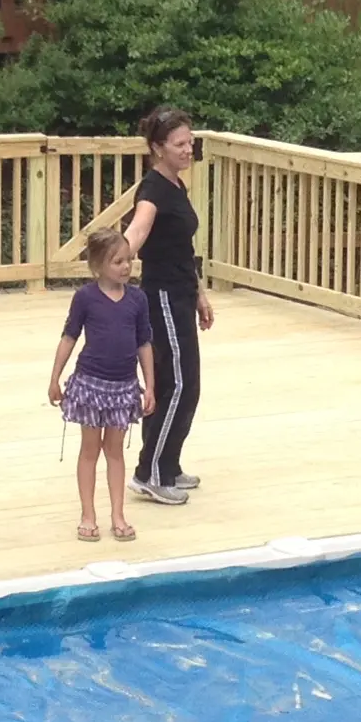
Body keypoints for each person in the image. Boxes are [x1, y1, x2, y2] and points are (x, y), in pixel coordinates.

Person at [123, 106, 214, 506]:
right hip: (160, 297)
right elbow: (137, 232)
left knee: (184, 383)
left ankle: (169, 464)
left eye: (190, 142)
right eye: (179, 144)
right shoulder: (154, 191)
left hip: (180, 293)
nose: (188, 150)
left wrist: (198, 293)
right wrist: (114, 267)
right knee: (176, 384)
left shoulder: (176, 185)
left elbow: (182, 248)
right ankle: (150, 473)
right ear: (158, 148)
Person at [49, 228, 156, 542]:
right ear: (97, 266)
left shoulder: (138, 299)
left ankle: (118, 514)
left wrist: (149, 385)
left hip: (124, 386)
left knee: (115, 452)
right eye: (117, 261)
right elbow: (69, 337)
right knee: (89, 450)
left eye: (129, 260)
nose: (126, 267)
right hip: (91, 384)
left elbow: (144, 343)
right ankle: (88, 514)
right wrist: (55, 377)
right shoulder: (85, 298)